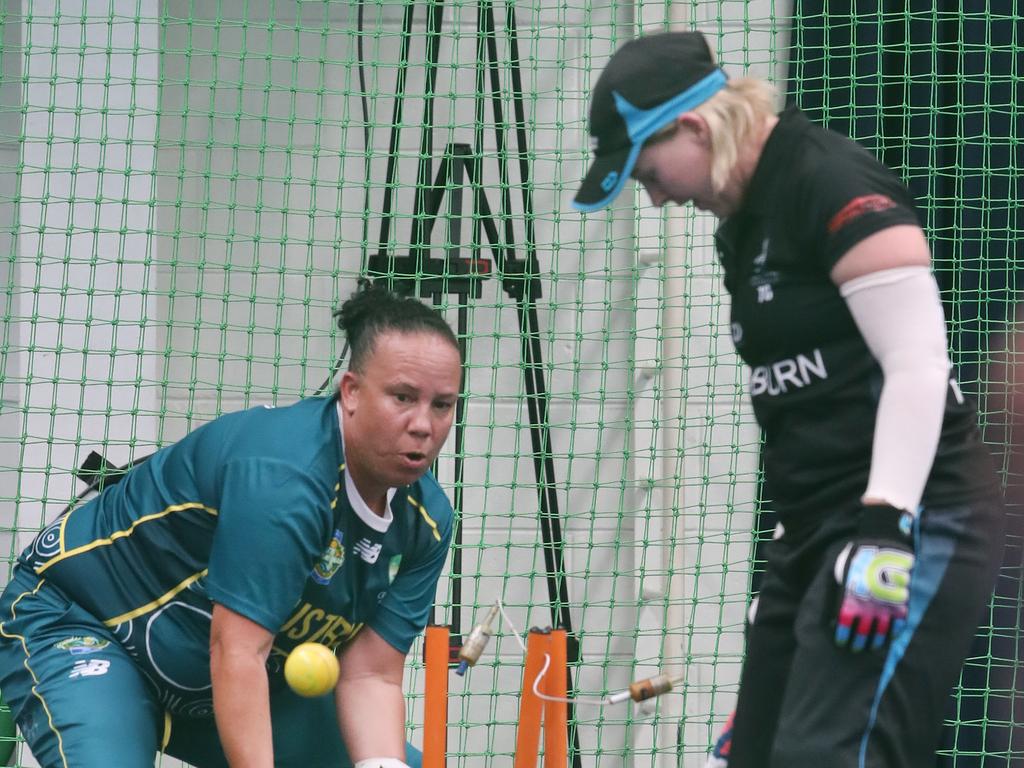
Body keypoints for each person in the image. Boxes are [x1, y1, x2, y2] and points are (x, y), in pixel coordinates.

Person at [573, 31, 1006, 767]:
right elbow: (807, 401)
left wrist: (885, 531)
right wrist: (793, 541)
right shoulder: (740, 224)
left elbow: (918, 362)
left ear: (695, 127)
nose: (655, 196)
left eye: (649, 173)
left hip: (910, 522)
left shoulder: (828, 181)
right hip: (816, 531)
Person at [0, 280, 462, 768]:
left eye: (442, 404)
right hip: (83, 622)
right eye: (402, 397)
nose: (423, 424)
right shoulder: (285, 481)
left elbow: (372, 675)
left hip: (217, 683)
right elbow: (237, 651)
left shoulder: (426, 523)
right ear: (350, 392)